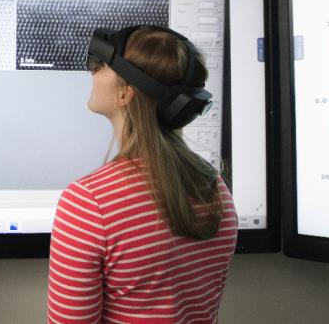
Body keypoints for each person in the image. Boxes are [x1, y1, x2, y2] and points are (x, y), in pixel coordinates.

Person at [46, 25, 238, 323]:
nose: (92, 72)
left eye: (99, 65)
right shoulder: (215, 189)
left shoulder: (89, 204)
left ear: (126, 94)